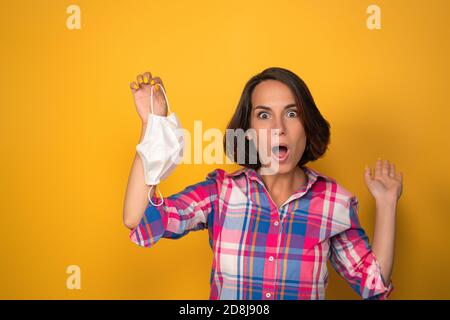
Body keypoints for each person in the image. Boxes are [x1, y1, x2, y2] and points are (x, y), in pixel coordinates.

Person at [122, 67, 403, 300]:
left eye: (292, 113)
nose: (279, 127)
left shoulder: (334, 202)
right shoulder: (221, 192)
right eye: (264, 115)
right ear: (248, 132)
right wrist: (152, 127)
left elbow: (372, 283)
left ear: (307, 126)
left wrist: (387, 203)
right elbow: (138, 217)